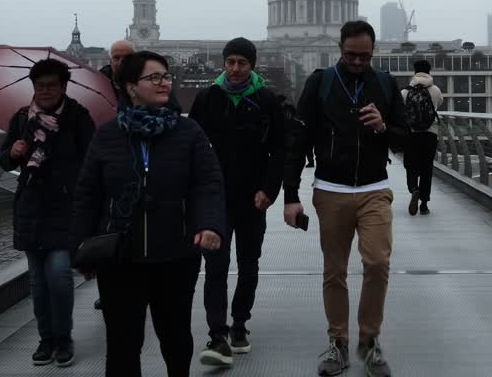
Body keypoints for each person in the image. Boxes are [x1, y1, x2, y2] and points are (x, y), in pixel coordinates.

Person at [71, 51, 225, 377]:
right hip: (120, 258)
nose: (164, 83)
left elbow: (208, 185)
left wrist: (209, 225)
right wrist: (81, 250)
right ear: (130, 87)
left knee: (176, 340)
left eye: (166, 76)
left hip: (175, 256)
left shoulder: (189, 133)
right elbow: (87, 194)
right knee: (123, 345)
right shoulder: (108, 134)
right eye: (154, 77)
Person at [283, 21, 407, 377]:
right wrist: (291, 196)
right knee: (334, 271)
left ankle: (369, 341)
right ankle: (338, 343)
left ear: (373, 51)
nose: (357, 61)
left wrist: (384, 126)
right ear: (339, 49)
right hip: (331, 190)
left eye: (364, 56)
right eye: (351, 55)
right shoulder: (320, 83)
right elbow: (298, 142)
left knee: (378, 262)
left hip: (374, 188)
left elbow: (406, 140)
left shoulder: (384, 83)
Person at [188, 38, 286, 366]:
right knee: (215, 266)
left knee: (248, 263)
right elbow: (195, 149)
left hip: (251, 197)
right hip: (215, 198)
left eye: (241, 63)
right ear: (223, 63)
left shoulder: (266, 100)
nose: (235, 69)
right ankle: (217, 335)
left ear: (252, 65)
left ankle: (240, 323)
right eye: (230, 62)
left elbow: (280, 150)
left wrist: (269, 190)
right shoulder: (207, 98)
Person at [0, 58, 95, 367]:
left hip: (66, 208)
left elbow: (92, 162)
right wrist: (12, 152)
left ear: (64, 86)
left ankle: (63, 337)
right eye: (40, 86)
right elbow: (4, 162)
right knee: (38, 282)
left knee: (60, 275)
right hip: (32, 208)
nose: (46, 91)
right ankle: (46, 339)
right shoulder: (22, 118)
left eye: (52, 85)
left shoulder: (78, 118)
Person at [401, 59, 443, 217]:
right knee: (427, 168)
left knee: (410, 166)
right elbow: (439, 103)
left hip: (411, 135)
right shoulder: (436, 90)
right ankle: (424, 204)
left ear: (415, 72)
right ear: (429, 71)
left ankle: (414, 189)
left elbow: (401, 111)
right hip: (430, 134)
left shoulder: (405, 92)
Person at [100, 39, 182, 112]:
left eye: (127, 57)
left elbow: (173, 108)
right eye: (116, 57)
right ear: (110, 61)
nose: (121, 61)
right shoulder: (98, 81)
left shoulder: (155, 82)